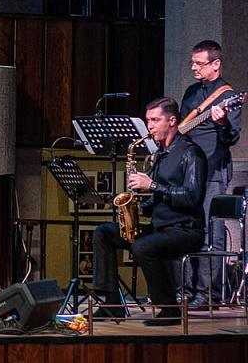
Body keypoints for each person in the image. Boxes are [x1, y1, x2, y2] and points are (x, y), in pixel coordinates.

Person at [92, 97, 206, 326]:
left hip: (185, 230)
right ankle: (111, 303)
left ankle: (169, 308)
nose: (150, 126)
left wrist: (151, 185)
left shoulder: (191, 153)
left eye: (155, 120)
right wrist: (140, 209)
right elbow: (162, 195)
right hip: (160, 227)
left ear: (172, 120)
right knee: (103, 232)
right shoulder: (162, 155)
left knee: (143, 246)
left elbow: (192, 197)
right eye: (148, 120)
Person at [179, 40, 241, 305]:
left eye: (199, 63)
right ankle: (185, 291)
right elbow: (181, 130)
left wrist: (222, 122)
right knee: (186, 231)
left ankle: (209, 295)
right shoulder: (192, 93)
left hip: (213, 172)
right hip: (187, 171)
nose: (194, 67)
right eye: (192, 62)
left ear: (216, 64)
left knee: (209, 235)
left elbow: (231, 138)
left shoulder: (228, 96)